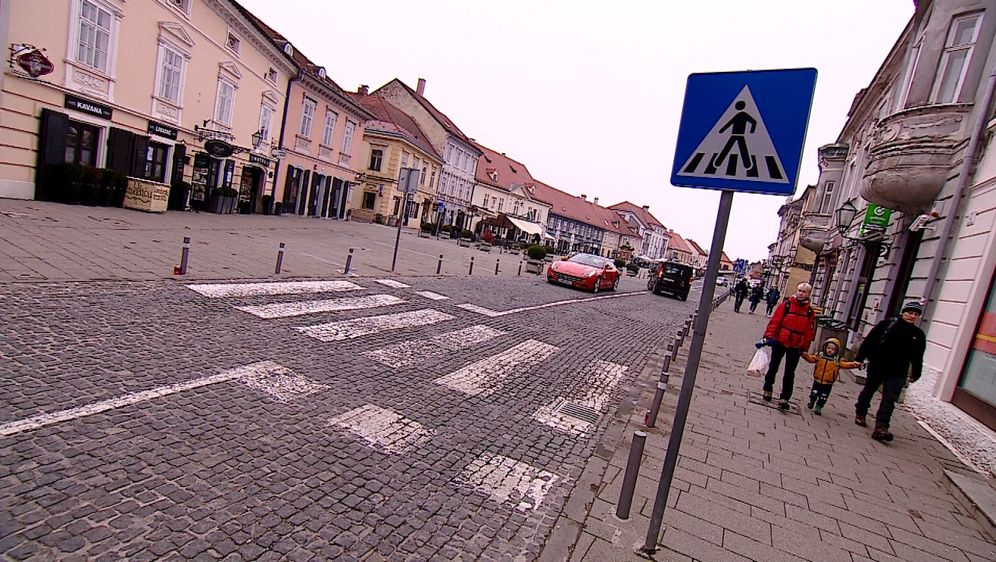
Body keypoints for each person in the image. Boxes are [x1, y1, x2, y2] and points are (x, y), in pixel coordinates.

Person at [854, 300, 927, 442]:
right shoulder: (887, 324)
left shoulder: (918, 335)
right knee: (869, 390)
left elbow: (918, 357)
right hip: (878, 365)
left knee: (889, 399)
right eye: (909, 312)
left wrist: (916, 373)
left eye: (916, 314)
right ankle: (861, 412)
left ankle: (881, 427)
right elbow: (869, 341)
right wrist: (860, 358)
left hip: (898, 372)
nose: (912, 316)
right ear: (903, 312)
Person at [761, 282, 816, 410]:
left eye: (804, 291)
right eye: (799, 290)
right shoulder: (786, 305)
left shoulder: (809, 311)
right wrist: (769, 336)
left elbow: (809, 330)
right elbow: (775, 321)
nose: (801, 293)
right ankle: (767, 388)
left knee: (790, 372)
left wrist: (805, 347)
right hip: (781, 339)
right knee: (774, 366)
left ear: (808, 294)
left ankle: (785, 397)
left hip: (796, 343)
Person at [801, 338, 862, 415]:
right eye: (828, 348)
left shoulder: (837, 360)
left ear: (836, 350)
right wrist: (804, 355)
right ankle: (812, 401)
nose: (830, 350)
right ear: (825, 347)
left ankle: (819, 406)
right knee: (814, 392)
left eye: (833, 349)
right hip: (817, 379)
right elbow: (811, 359)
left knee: (824, 396)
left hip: (828, 382)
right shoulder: (820, 355)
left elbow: (846, 365)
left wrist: (855, 364)